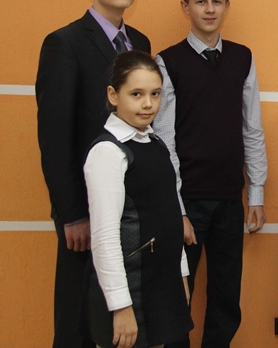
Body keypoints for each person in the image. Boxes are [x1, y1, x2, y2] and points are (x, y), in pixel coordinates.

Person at [36, 0, 151, 348]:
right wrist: (72, 214)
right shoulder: (64, 43)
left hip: (131, 202)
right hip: (85, 207)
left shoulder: (140, 42)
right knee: (78, 316)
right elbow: (55, 137)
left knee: (122, 314)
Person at [153, 0, 268, 348]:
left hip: (230, 201)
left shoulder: (242, 58)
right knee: (176, 296)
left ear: (227, 6)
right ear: (185, 7)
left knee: (225, 297)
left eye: (217, 1)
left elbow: (252, 128)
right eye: (200, 1)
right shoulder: (167, 62)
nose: (209, 9)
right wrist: (176, 208)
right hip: (186, 202)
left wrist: (256, 193)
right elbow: (164, 140)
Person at [83, 51, 193, 348]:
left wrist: (181, 276)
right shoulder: (108, 152)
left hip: (160, 289)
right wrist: (120, 306)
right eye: (136, 94)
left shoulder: (155, 144)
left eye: (155, 94)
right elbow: (105, 238)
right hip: (130, 293)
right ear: (113, 95)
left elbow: (169, 218)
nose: (148, 104)